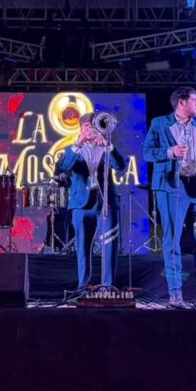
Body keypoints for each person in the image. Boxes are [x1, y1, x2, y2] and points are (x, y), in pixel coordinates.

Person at [143, 87, 196, 309]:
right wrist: (170, 152)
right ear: (182, 102)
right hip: (171, 188)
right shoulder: (160, 124)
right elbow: (147, 153)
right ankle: (175, 294)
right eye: (195, 100)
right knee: (172, 239)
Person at [57, 112, 127, 289]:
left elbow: (120, 166)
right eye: (87, 126)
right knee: (82, 247)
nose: (91, 130)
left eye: (94, 126)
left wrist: (108, 146)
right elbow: (64, 167)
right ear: (81, 129)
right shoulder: (72, 149)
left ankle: (108, 287)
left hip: (106, 202)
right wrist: (79, 142)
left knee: (110, 245)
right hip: (81, 204)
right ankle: (83, 287)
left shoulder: (106, 146)